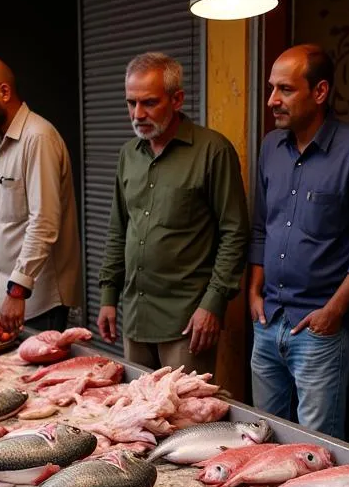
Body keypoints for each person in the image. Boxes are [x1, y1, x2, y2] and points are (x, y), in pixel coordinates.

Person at [248, 45, 349, 439]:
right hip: (268, 321)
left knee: (316, 450)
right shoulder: (270, 148)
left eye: (285, 90)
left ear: (320, 91)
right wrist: (254, 291)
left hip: (321, 330)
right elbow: (262, 227)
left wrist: (333, 312)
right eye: (271, 88)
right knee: (263, 440)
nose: (272, 101)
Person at [97, 52, 249, 375]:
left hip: (187, 323)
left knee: (185, 420)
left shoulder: (213, 151)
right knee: (137, 415)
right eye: (131, 103)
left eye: (149, 103)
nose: (137, 114)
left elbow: (234, 232)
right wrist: (109, 294)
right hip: (135, 317)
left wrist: (214, 303)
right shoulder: (128, 155)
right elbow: (118, 229)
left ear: (177, 99)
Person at [0, 57, 82, 333]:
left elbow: (44, 221)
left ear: (4, 92)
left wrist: (18, 290)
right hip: (7, 291)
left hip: (38, 298)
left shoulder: (38, 138)